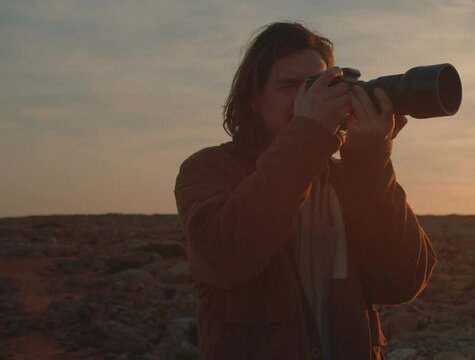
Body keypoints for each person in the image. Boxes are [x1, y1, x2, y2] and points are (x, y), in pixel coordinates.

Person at [174, 21, 437, 360]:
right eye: (289, 86)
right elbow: (224, 256)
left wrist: (370, 162)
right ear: (253, 98)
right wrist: (308, 135)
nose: (307, 99)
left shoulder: (352, 178)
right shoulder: (209, 169)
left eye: (318, 85)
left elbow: (402, 280)